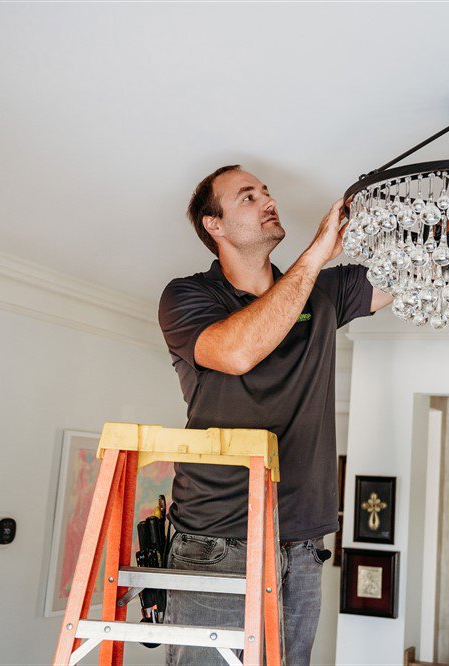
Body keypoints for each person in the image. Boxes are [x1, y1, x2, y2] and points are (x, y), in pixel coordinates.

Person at [157, 164, 392, 665]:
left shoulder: (325, 295)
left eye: (266, 191)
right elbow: (238, 351)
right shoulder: (187, 297)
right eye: (247, 196)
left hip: (302, 544)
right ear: (213, 225)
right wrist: (315, 256)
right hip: (216, 541)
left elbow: (421, 266)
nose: (267, 200)